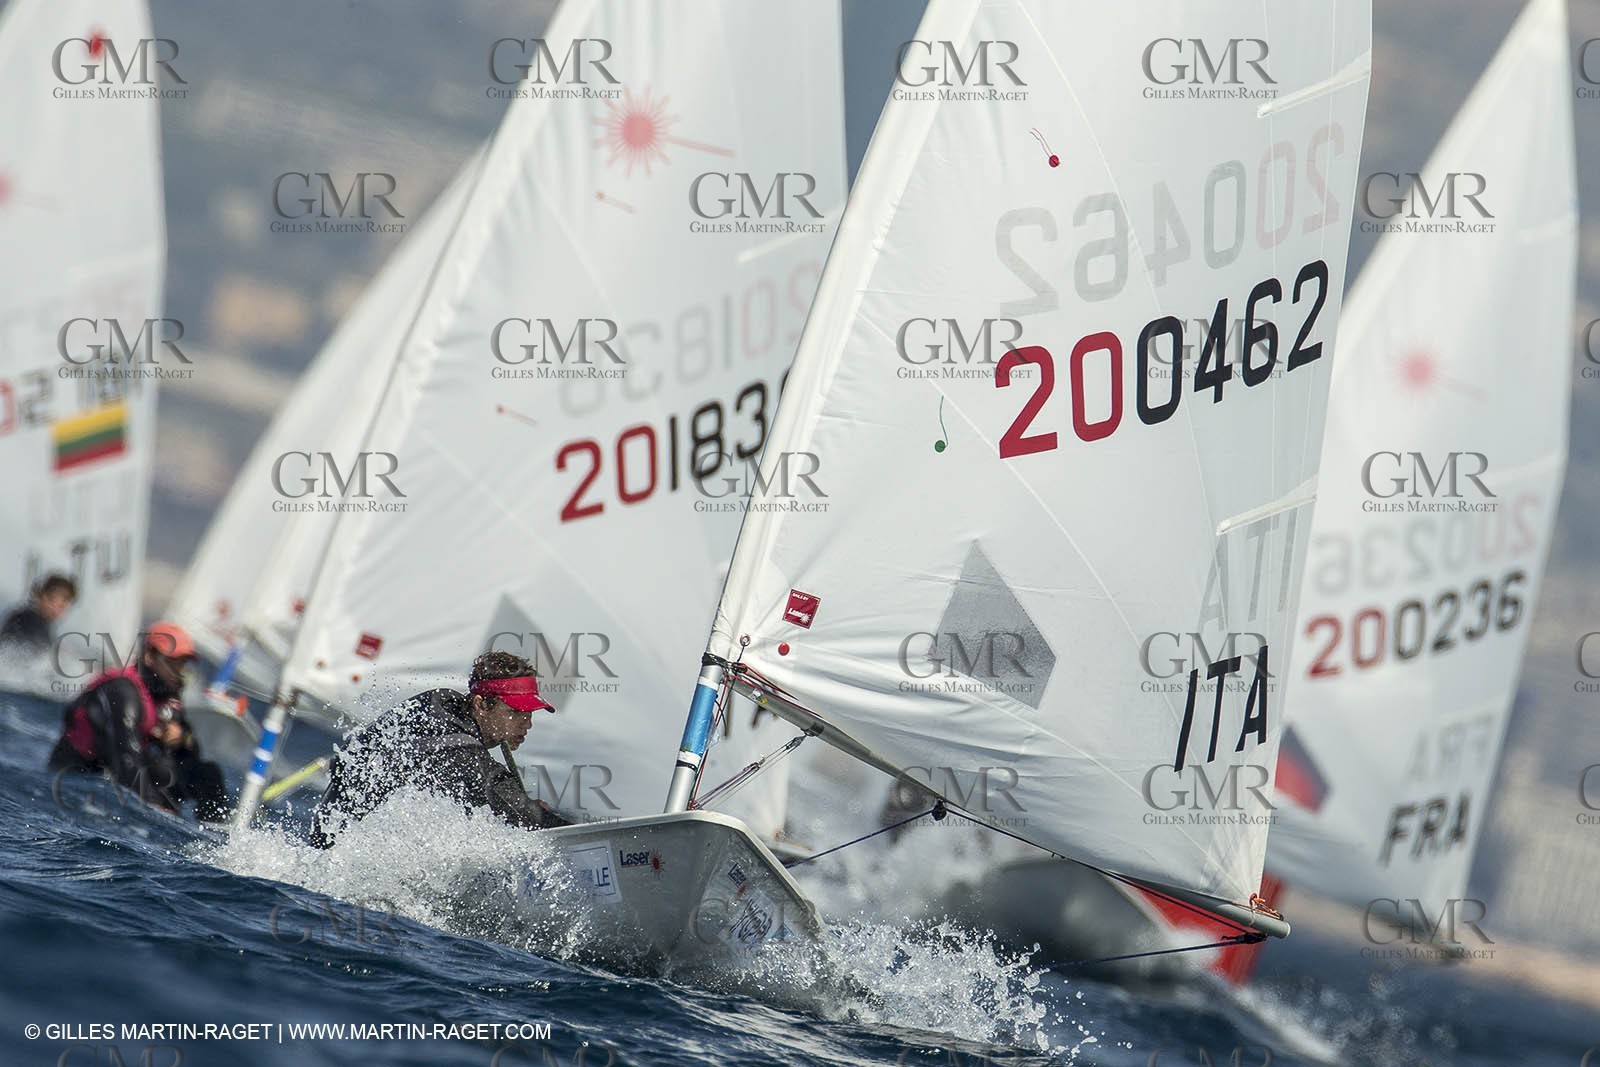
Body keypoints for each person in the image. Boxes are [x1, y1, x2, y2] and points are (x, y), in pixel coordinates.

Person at [309, 651, 571, 848]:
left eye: (529, 714)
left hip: (327, 839)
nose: (527, 724)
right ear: (481, 705)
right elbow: (519, 811)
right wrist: (558, 822)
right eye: (515, 712)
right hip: (341, 854)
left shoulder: (440, 703)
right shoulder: (455, 749)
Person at [47, 621, 225, 817]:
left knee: (208, 774)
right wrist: (160, 812)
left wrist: (181, 738)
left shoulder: (168, 693)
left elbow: (193, 754)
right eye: (172, 661)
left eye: (182, 663)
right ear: (149, 657)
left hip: (125, 775)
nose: (178, 670)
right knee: (157, 779)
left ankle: (210, 835)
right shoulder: (122, 690)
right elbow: (125, 759)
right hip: (80, 780)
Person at [0, 573, 77, 660]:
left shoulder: (29, 619)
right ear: (40, 596)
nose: (55, 608)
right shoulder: (29, 620)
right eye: (51, 599)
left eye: (62, 605)